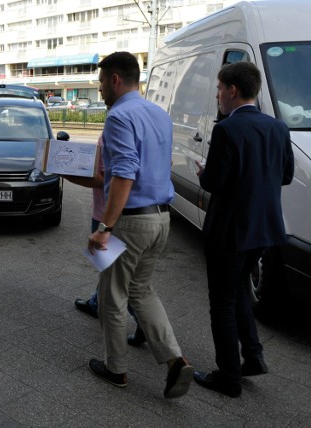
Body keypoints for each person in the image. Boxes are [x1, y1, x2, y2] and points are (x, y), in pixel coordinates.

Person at [86, 51, 193, 398]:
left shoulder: (118, 116)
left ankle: (115, 368)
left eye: (102, 83)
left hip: (130, 223)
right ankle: (175, 360)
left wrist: (105, 227)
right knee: (141, 291)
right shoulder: (159, 114)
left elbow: (124, 173)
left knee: (112, 297)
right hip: (161, 218)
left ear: (115, 80)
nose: (100, 91)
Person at [193, 62, 294, 398]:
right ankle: (253, 357)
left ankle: (228, 376)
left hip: (229, 233)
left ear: (232, 90)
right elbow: (285, 176)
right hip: (263, 231)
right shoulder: (278, 127)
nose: (218, 95)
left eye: (220, 89)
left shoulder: (227, 130)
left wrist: (203, 173)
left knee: (221, 302)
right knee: (237, 293)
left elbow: (215, 182)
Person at [70, 134, 146, 347]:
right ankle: (96, 302)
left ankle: (145, 323)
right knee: (107, 267)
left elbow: (104, 180)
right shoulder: (143, 128)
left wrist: (67, 175)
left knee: (117, 275)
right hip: (131, 213)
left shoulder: (113, 132)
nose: (102, 97)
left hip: (107, 216)